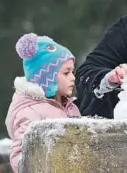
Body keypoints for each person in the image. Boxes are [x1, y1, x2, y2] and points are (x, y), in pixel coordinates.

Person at [5, 33, 81, 172]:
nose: (73, 78)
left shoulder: (72, 108)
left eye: (73, 72)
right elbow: (18, 156)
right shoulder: (31, 112)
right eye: (66, 73)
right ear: (47, 78)